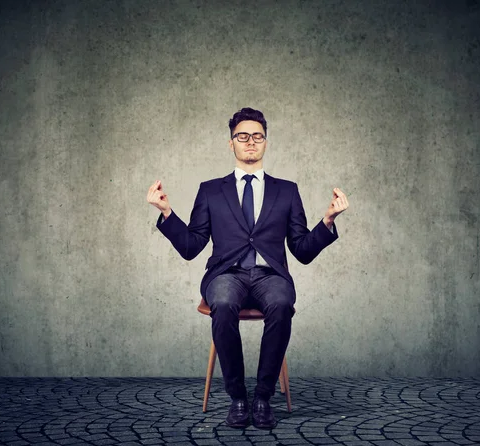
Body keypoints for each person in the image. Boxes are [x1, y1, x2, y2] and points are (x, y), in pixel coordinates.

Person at [147, 107, 348, 429]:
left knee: (282, 304)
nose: (250, 142)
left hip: (271, 275)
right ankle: (238, 397)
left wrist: (328, 221)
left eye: (257, 136)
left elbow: (301, 251)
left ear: (265, 143)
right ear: (232, 144)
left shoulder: (287, 190)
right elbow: (191, 246)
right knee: (223, 304)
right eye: (243, 136)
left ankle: (263, 398)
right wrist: (167, 212)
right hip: (227, 274)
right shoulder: (211, 190)